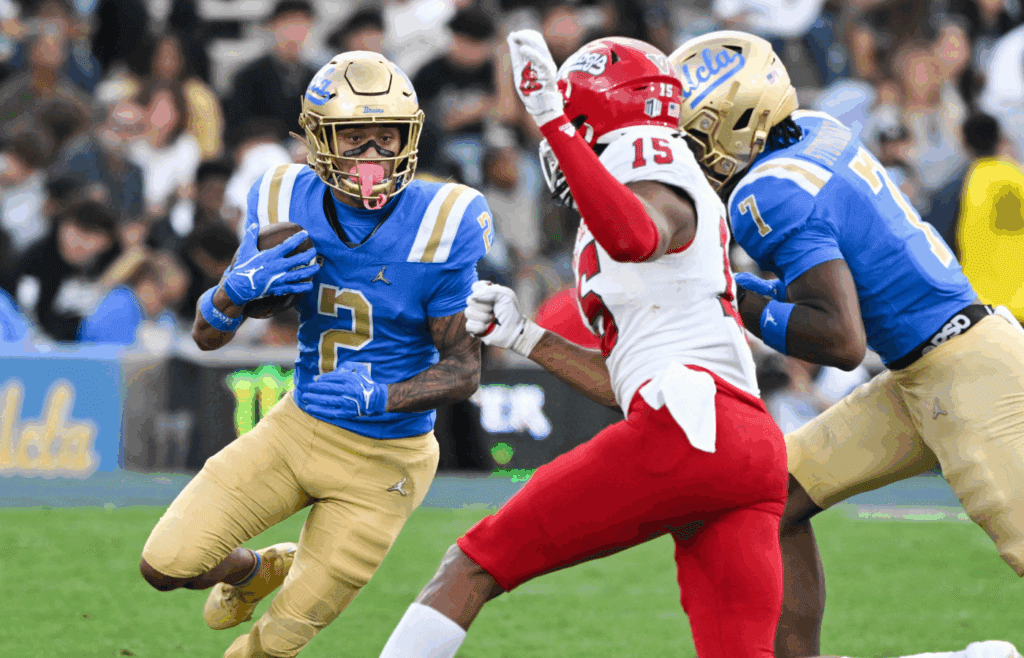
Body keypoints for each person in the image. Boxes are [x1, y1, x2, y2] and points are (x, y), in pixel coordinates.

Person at [380, 33, 790, 658]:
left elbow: (636, 236)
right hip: (741, 442)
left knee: (471, 565)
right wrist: (527, 336)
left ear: (595, 115)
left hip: (687, 428)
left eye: (570, 120)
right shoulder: (650, 172)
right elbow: (626, 378)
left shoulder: (643, 150)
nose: (557, 141)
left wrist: (550, 116)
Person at [669, 30, 1024, 658]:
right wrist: (745, 289)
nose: (690, 155)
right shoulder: (810, 127)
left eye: (697, 137)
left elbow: (838, 338)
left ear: (739, 122)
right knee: (766, 493)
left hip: (966, 375)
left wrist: (737, 299)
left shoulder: (765, 192)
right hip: (925, 369)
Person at [137, 51, 493, 658]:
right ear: (318, 140)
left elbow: (464, 371)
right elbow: (206, 337)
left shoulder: (444, 220)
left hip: (387, 460)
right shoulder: (281, 199)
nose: (375, 157)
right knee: (165, 564)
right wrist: (229, 294)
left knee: (272, 646)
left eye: (389, 138)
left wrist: (381, 396)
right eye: (356, 138)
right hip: (298, 425)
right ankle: (255, 571)